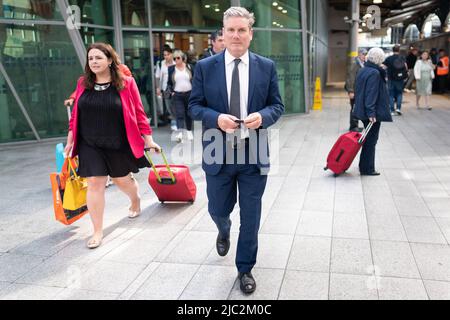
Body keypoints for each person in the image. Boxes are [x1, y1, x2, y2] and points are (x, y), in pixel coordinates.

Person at [189, 7, 284, 294]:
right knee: (218, 208)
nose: (236, 35)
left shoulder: (266, 66)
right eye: (230, 29)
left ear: (250, 34)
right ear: (223, 33)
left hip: (253, 151)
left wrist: (263, 117)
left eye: (242, 30)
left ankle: (245, 269)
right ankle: (223, 227)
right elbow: (194, 106)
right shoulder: (206, 67)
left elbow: (277, 105)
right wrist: (216, 118)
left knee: (251, 215)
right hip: (217, 151)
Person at [64, 43, 161, 249]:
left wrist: (148, 139)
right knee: (95, 184)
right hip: (90, 143)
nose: (94, 62)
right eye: (91, 58)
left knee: (122, 181)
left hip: (117, 142)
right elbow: (75, 115)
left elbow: (139, 112)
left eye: (98, 58)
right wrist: (71, 139)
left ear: (109, 60)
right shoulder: (83, 83)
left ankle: (135, 200)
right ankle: (97, 231)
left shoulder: (126, 83)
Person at [353, 47, 392, 176]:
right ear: (379, 59)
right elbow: (371, 94)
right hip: (370, 113)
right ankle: (367, 168)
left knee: (368, 139)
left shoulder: (363, 70)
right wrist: (371, 113)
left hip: (362, 110)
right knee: (371, 141)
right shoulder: (375, 73)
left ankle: (365, 166)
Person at [167, 50, 195, 143]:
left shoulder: (189, 67)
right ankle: (180, 133)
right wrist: (171, 92)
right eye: (174, 58)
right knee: (179, 114)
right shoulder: (171, 69)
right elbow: (169, 83)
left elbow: (195, 80)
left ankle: (189, 132)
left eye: (178, 58)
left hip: (189, 94)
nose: (176, 60)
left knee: (188, 114)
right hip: (177, 95)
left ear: (182, 58)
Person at [344, 48, 367, 131]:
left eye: (365, 54)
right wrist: (351, 91)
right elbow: (350, 78)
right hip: (354, 90)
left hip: (359, 90)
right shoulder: (355, 64)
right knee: (354, 107)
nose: (364, 56)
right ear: (359, 54)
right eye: (363, 54)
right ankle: (353, 126)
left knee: (356, 107)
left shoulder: (362, 63)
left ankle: (355, 125)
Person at [155, 46, 177, 131]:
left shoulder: (176, 62)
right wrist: (158, 88)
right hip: (165, 88)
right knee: (169, 106)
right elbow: (157, 77)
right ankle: (174, 121)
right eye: (164, 55)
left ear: (171, 54)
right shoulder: (161, 64)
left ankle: (175, 123)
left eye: (168, 54)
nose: (166, 56)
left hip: (175, 88)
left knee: (176, 105)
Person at [384, 45, 408, 116]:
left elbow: (384, 66)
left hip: (390, 79)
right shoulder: (402, 58)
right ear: (399, 50)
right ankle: (398, 108)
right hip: (400, 79)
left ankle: (392, 110)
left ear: (392, 50)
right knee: (399, 93)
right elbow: (406, 67)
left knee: (391, 94)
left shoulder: (389, 58)